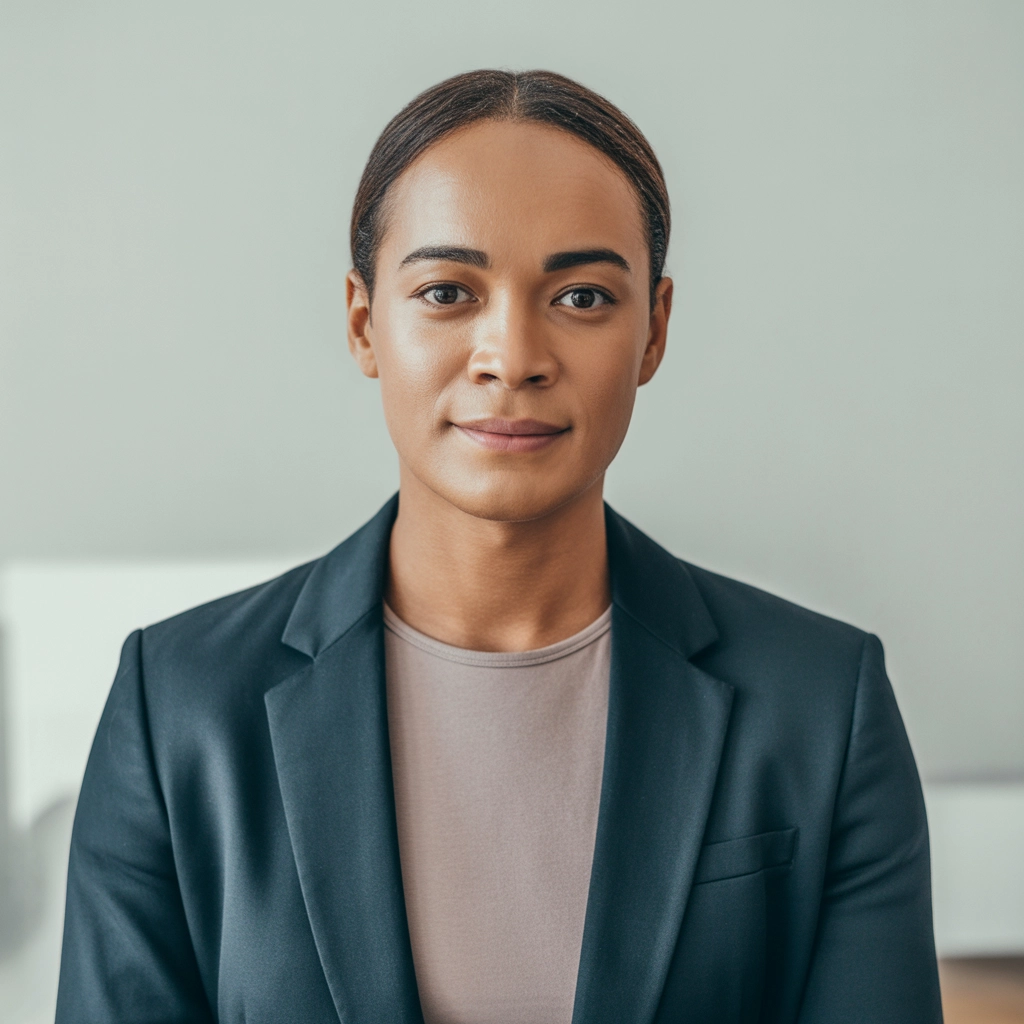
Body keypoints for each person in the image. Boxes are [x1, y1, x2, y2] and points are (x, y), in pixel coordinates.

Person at [55, 70, 943, 1024]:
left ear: (655, 331)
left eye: (584, 297)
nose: (511, 355)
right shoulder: (177, 705)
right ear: (364, 323)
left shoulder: (819, 705)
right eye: (447, 291)